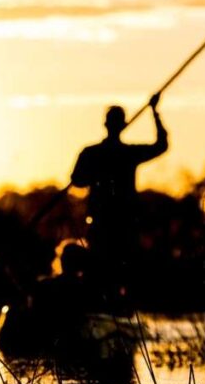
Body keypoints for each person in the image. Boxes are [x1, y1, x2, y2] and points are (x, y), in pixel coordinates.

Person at [71, 94, 168, 301]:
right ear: (121, 125)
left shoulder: (102, 153)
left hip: (121, 224)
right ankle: (105, 309)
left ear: (107, 124)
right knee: (104, 271)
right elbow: (77, 179)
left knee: (117, 273)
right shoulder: (100, 153)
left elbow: (161, 146)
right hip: (104, 224)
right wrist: (154, 112)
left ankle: (117, 311)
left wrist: (154, 112)